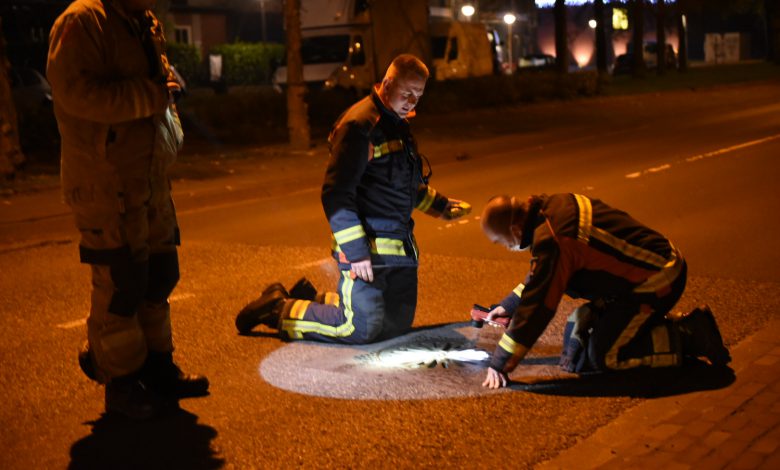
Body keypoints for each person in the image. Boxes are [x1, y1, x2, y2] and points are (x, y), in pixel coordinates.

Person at [236, 54, 470, 343]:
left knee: (395, 326)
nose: (412, 102)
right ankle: (278, 309)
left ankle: (312, 300)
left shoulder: (396, 123)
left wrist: (441, 206)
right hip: (366, 250)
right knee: (359, 328)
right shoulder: (360, 126)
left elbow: (403, 185)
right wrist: (356, 252)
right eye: (407, 92)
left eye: (418, 96)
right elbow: (336, 194)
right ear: (388, 84)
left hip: (399, 249)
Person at [47, 0, 208, 419]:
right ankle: (121, 383)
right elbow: (76, 93)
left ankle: (158, 370)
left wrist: (167, 106)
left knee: (161, 274)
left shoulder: (142, 21)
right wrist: (153, 96)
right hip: (106, 182)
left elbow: (156, 87)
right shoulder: (83, 21)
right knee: (122, 284)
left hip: (147, 177)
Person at [478, 194, 730, 389]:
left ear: (514, 230)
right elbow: (542, 277)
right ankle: (652, 325)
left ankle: (690, 334)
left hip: (656, 281)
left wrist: (501, 363)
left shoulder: (553, 241)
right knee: (578, 345)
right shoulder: (552, 208)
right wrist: (509, 305)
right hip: (644, 272)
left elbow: (537, 307)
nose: (503, 246)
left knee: (604, 355)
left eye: (500, 241)